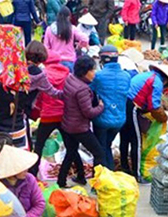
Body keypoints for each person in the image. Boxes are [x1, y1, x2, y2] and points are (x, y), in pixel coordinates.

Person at [121, 64, 168, 179]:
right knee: (136, 142)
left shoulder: (147, 75)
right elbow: (154, 107)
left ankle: (125, 168)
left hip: (124, 104)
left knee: (125, 138)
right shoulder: (157, 82)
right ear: (166, 81)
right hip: (133, 107)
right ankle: (138, 174)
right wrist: (163, 118)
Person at [57, 55, 105, 187]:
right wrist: (101, 106)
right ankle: (98, 185)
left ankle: (65, 180)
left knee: (71, 152)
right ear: (85, 72)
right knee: (99, 153)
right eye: (92, 70)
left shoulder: (70, 79)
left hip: (67, 124)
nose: (94, 73)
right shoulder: (83, 89)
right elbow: (89, 112)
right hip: (79, 128)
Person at [91, 45, 131, 170]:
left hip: (101, 120)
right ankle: (110, 174)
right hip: (119, 120)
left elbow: (90, 92)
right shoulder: (126, 76)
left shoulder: (98, 76)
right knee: (107, 145)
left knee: (100, 149)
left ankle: (103, 177)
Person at [32, 51, 71, 170]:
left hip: (48, 115)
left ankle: (33, 173)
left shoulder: (44, 75)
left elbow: (39, 96)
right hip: (63, 114)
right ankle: (80, 173)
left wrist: (36, 112)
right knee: (70, 146)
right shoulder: (67, 74)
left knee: (38, 146)